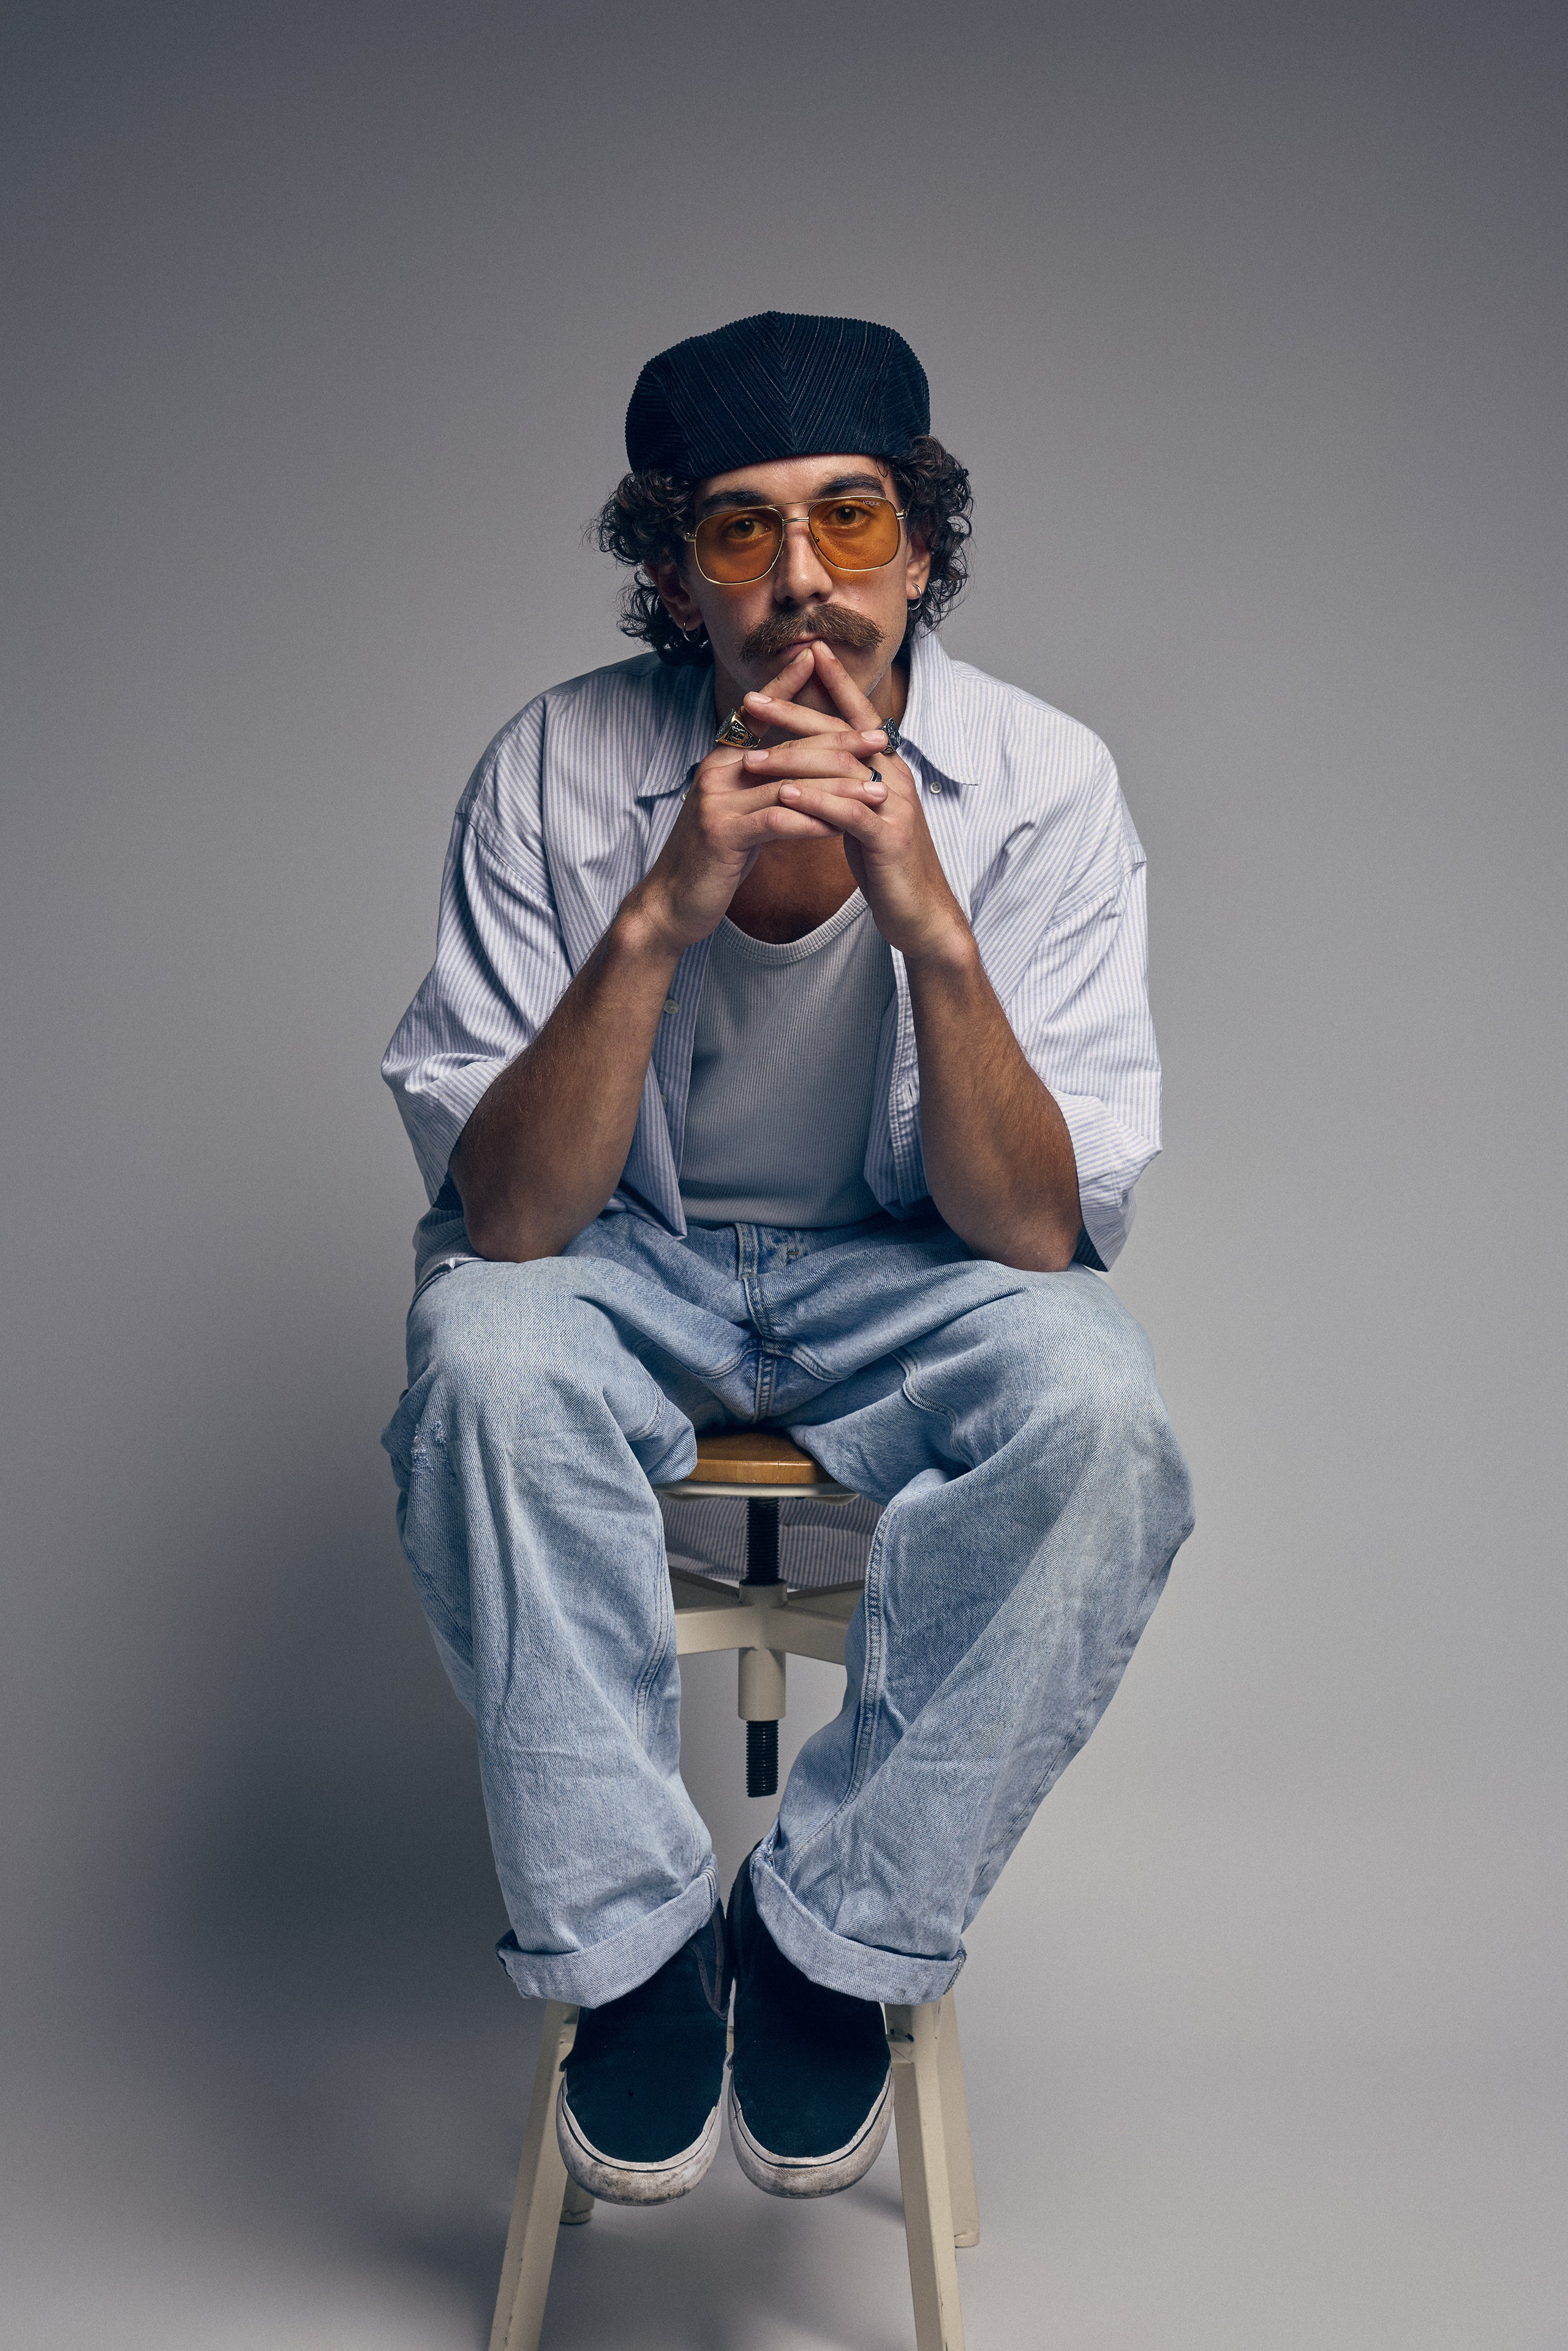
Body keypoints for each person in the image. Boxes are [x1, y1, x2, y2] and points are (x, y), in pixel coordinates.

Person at [381, 311, 1194, 2209]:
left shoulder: (1046, 785)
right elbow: (510, 1225)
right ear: (673, 575)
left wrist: (932, 925)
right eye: (740, 534)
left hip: (907, 1282)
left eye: (852, 518)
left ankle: (830, 1934)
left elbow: (1037, 1237)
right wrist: (661, 910)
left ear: (925, 544)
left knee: (1104, 1415)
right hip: (634, 1270)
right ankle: (637, 1947)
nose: (806, 582)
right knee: (483, 1359)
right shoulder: (558, 770)